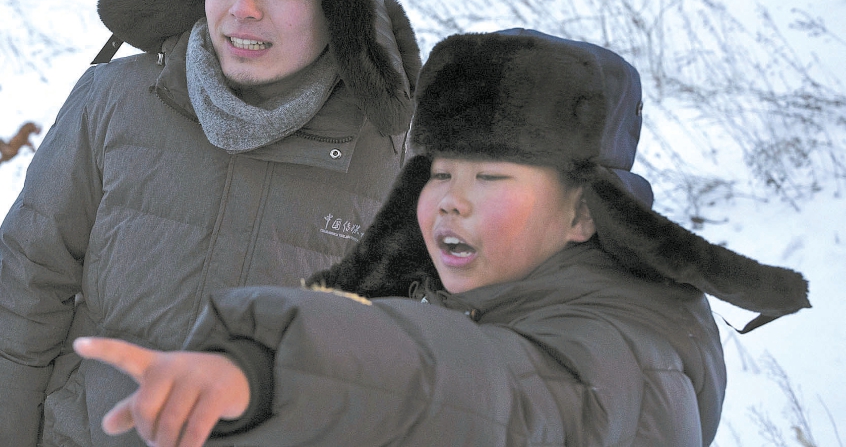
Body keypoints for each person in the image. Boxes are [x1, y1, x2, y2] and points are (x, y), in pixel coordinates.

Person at [76, 29, 811, 447]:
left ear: (586, 213)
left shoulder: (622, 351)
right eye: (439, 172)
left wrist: (280, 370)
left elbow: (493, 392)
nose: (451, 203)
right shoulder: (496, 294)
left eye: (492, 177)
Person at [0, 0, 422, 447]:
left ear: (335, 4)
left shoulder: (394, 160)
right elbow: (23, 298)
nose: (242, 8)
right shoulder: (115, 102)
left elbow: (410, 380)